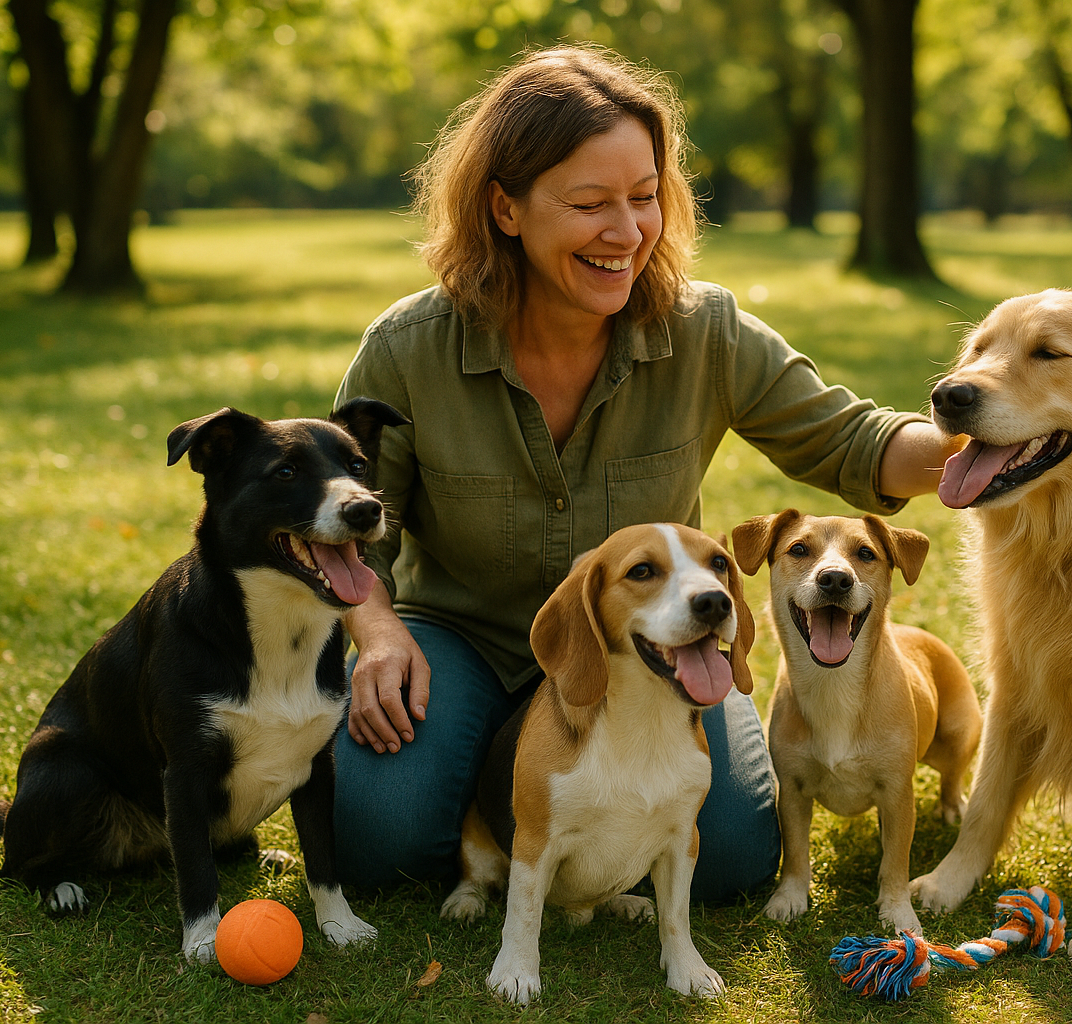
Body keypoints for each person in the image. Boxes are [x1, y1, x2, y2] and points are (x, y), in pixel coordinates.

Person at [331, 44, 961, 897]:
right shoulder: (408, 350)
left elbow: (854, 442)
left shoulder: (707, 331)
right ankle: (499, 750)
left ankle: (543, 774)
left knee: (733, 860)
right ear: (505, 208)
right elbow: (350, 529)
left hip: (656, 645)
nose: (627, 233)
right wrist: (376, 631)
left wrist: (990, 444)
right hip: (464, 642)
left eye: (645, 197)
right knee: (381, 844)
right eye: (590, 203)